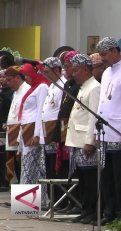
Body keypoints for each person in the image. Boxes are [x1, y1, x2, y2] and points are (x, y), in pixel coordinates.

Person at [95, 37, 121, 225]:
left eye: (104, 54)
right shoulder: (106, 73)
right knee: (106, 175)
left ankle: (120, 211)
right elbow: (102, 102)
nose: (103, 58)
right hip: (104, 131)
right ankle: (109, 211)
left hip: (119, 131)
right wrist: (96, 132)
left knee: (119, 176)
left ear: (115, 50)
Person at [65, 53, 100, 224]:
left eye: (76, 70)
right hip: (77, 141)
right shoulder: (83, 86)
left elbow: (93, 117)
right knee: (83, 179)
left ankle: (92, 211)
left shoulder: (94, 87)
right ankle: (85, 210)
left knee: (90, 179)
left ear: (86, 69)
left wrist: (90, 141)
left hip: (85, 142)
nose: (73, 74)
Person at [52, 50, 81, 214]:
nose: (66, 70)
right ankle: (66, 201)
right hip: (61, 131)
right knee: (62, 170)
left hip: (72, 131)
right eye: (65, 66)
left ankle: (74, 201)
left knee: (73, 170)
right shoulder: (66, 84)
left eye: (69, 66)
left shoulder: (78, 85)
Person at [18, 63, 50, 207]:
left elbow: (40, 112)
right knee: (27, 165)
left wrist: (37, 133)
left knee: (34, 166)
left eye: (26, 75)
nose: (25, 79)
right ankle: (26, 204)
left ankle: (31, 204)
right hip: (26, 129)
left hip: (33, 131)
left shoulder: (42, 87)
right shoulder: (33, 89)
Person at [41, 57, 67, 191]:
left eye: (47, 71)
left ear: (57, 70)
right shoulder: (52, 85)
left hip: (55, 131)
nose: (45, 74)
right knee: (49, 166)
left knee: (56, 167)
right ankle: (52, 198)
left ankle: (57, 198)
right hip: (46, 131)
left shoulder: (63, 85)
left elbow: (59, 112)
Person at [4, 66, 30, 184]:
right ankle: (18, 197)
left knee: (23, 167)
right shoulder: (16, 92)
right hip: (13, 133)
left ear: (18, 77)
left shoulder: (27, 90)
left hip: (23, 134)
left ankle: (25, 200)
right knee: (16, 166)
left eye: (9, 80)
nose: (7, 83)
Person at [0, 70, 14, 190]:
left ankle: (8, 183)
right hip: (12, 128)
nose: (2, 80)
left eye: (7, 78)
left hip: (24, 132)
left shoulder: (39, 88)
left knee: (11, 158)